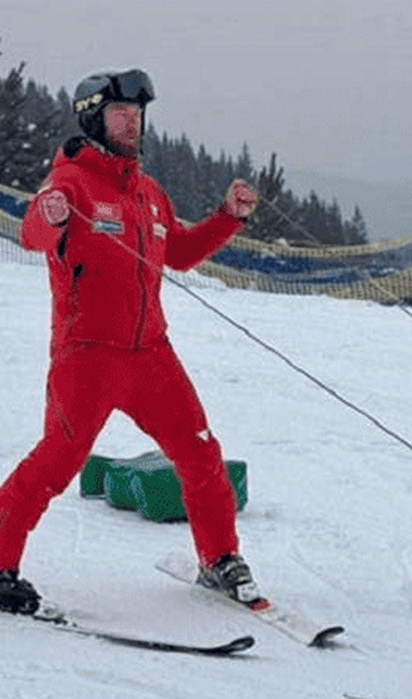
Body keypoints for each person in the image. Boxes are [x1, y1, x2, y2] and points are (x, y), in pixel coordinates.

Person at [0, 68, 261, 615]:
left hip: (152, 356)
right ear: (94, 117)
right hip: (87, 356)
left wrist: (228, 218)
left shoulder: (146, 190)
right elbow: (32, 233)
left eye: (138, 114)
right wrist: (47, 218)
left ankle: (219, 560)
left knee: (200, 454)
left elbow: (181, 253)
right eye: (121, 113)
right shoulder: (69, 182)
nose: (133, 122)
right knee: (55, 462)